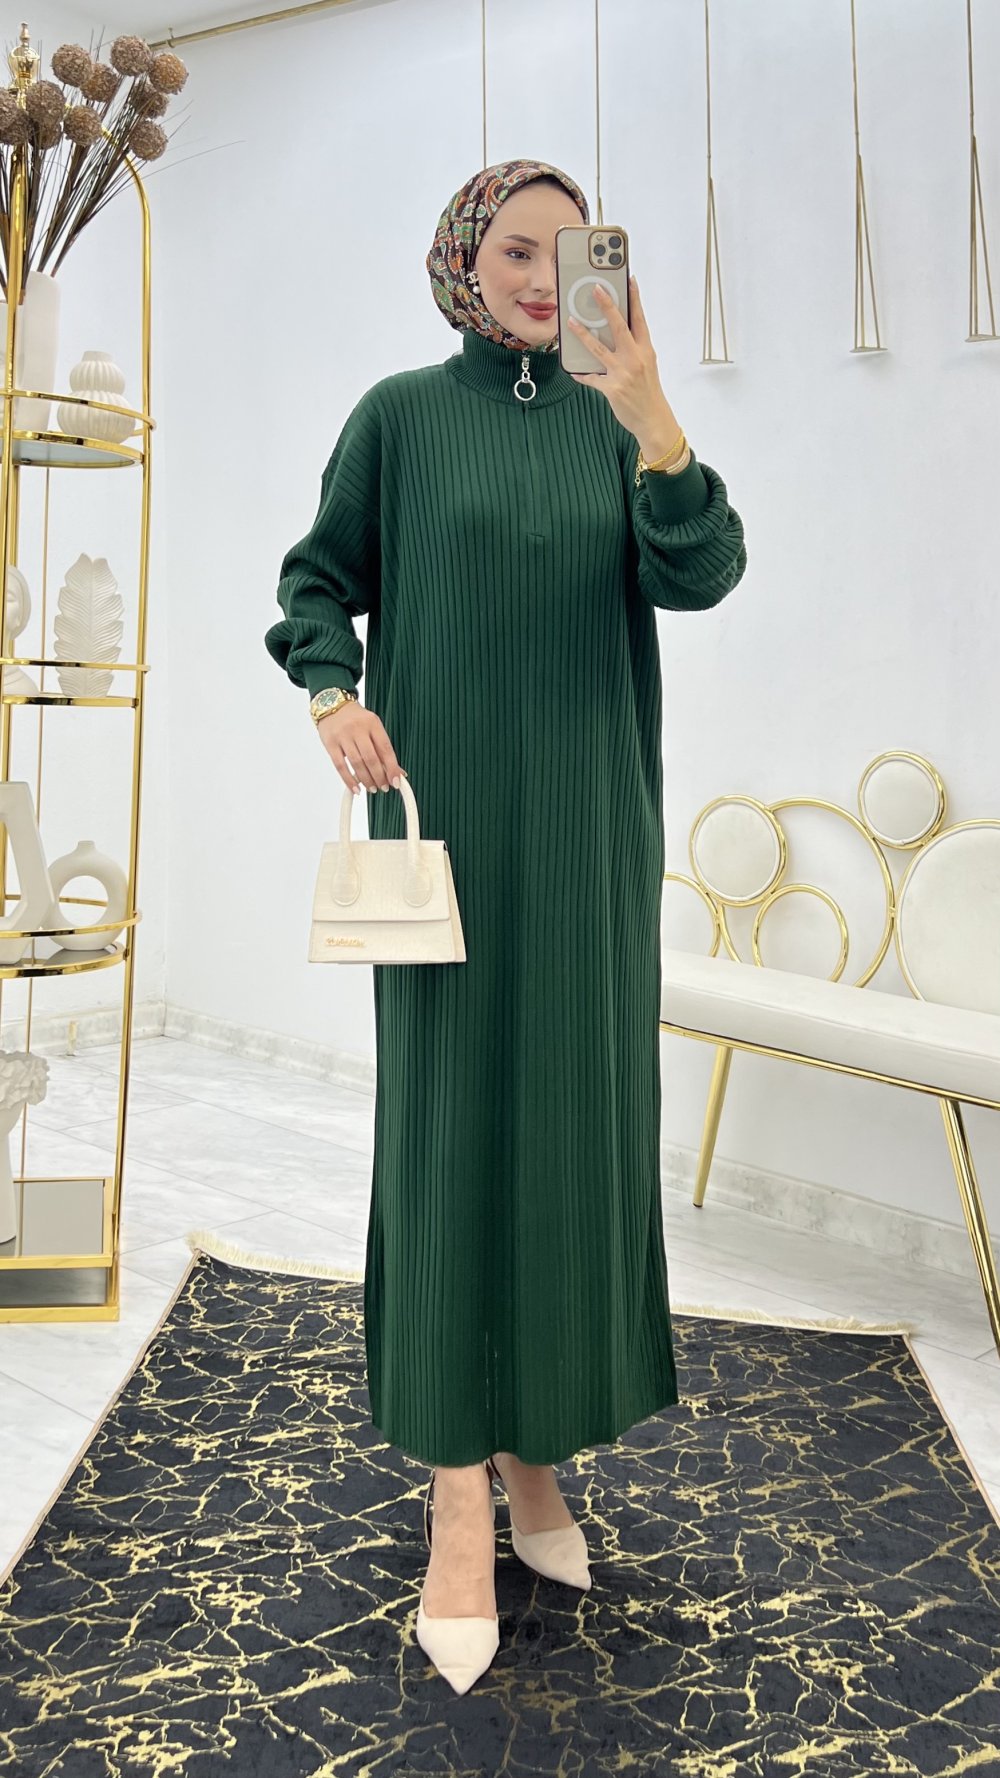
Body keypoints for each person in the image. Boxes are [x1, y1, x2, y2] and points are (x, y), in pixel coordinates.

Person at [265, 158, 747, 1695]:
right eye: (518, 249)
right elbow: (317, 580)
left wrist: (652, 410)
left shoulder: (616, 421)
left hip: (590, 841)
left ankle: (540, 1450)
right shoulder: (401, 417)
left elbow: (703, 572)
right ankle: (456, 1500)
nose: (545, 275)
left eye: (572, 249)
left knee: (573, 1143)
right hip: (448, 842)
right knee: (453, 1139)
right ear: (464, 261)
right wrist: (332, 692)